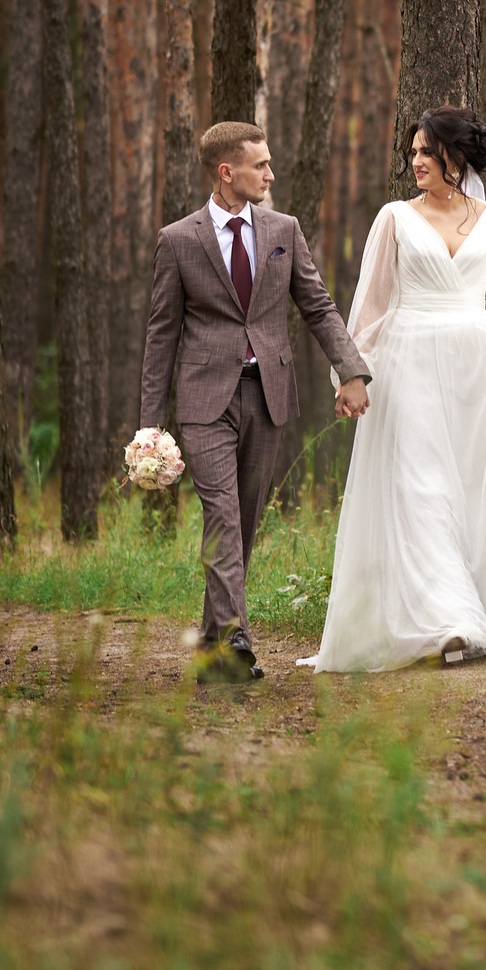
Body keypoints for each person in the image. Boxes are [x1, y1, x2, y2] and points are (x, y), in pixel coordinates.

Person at [301, 107, 486, 673]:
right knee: (422, 489)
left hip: (474, 371)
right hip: (409, 362)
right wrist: (352, 373)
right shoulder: (394, 218)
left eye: (425, 152)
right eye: (411, 152)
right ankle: (448, 622)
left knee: (471, 489)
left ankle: (481, 602)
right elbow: (371, 305)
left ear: (455, 158)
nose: (415, 162)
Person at [139, 121, 371, 685]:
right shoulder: (179, 240)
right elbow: (162, 333)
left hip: (268, 395)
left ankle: (213, 651)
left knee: (243, 520)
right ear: (227, 172)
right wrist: (149, 426)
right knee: (221, 514)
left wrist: (351, 370)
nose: (270, 174)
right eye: (260, 165)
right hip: (204, 401)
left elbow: (317, 305)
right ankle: (236, 635)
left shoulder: (283, 230)